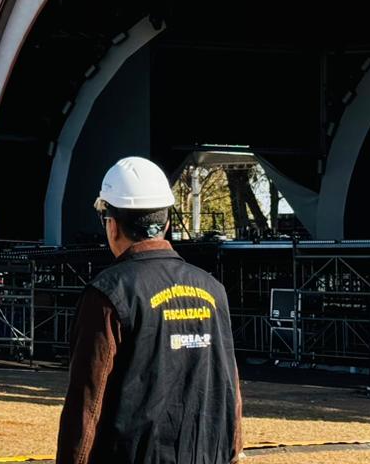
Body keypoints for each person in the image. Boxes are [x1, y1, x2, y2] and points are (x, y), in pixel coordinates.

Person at [56, 156, 242, 464]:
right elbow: (230, 387)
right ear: (166, 223)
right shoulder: (213, 291)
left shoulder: (108, 294)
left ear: (112, 224)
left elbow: (87, 403)